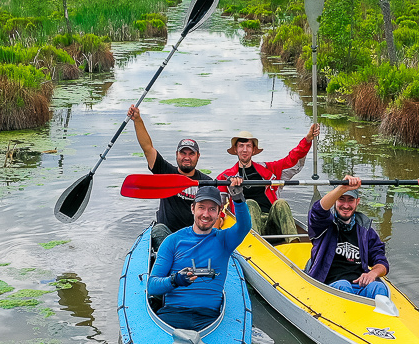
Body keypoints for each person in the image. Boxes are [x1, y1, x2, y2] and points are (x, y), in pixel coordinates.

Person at [148, 180, 250, 331]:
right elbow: (152, 286)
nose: (206, 214)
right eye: (201, 208)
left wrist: (238, 197)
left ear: (219, 212)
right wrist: (175, 280)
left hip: (210, 318)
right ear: (192, 208)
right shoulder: (172, 241)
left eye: (212, 209)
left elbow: (244, 226)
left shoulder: (224, 240)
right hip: (172, 314)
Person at [127, 104, 210, 249]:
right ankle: (167, 260)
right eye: (183, 153)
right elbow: (148, 148)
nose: (187, 157)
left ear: (198, 156)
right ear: (177, 155)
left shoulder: (207, 182)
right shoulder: (165, 171)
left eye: (191, 154)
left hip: (195, 236)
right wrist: (137, 120)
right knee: (158, 229)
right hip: (167, 234)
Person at [215, 124, 319, 238]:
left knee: (281, 203)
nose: (245, 150)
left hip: (270, 220)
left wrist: (308, 139)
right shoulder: (225, 177)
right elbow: (217, 203)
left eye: (248, 146)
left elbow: (292, 160)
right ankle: (253, 244)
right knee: (250, 203)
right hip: (245, 224)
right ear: (236, 149)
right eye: (241, 146)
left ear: (254, 150)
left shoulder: (269, 170)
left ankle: (294, 242)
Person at [305, 175, 389, 298]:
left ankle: (382, 315)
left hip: (359, 285)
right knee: (343, 286)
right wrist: (341, 188)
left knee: (379, 287)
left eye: (350, 200)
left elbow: (381, 261)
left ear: (357, 202)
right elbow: (318, 210)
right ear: (335, 200)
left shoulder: (366, 230)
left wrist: (373, 273)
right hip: (330, 285)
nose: (345, 205)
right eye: (341, 199)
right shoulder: (324, 224)